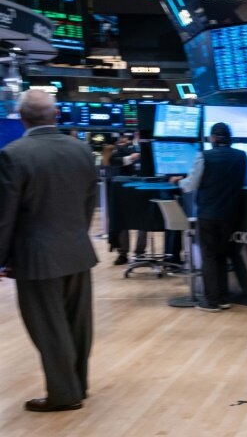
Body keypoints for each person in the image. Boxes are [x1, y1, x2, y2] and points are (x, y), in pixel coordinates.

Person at [0, 90, 98, 412]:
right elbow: (88, 204)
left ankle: (63, 395)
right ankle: (77, 385)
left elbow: (5, 216)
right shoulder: (82, 150)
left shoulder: (14, 155)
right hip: (76, 251)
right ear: (55, 115)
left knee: (49, 327)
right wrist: (74, 236)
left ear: (22, 117)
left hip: (36, 258)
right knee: (77, 324)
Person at [172, 123, 247, 312]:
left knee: (209, 256)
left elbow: (191, 185)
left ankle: (211, 301)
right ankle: (223, 297)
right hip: (230, 215)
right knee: (222, 255)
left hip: (207, 214)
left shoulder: (204, 156)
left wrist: (178, 181)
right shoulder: (242, 157)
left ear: (213, 138)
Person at [110, 132, 146, 265]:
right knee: (123, 222)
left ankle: (140, 252)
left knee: (144, 222)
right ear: (137, 135)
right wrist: (130, 157)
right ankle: (123, 253)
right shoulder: (123, 148)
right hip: (126, 191)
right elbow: (112, 161)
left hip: (144, 190)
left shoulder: (150, 148)